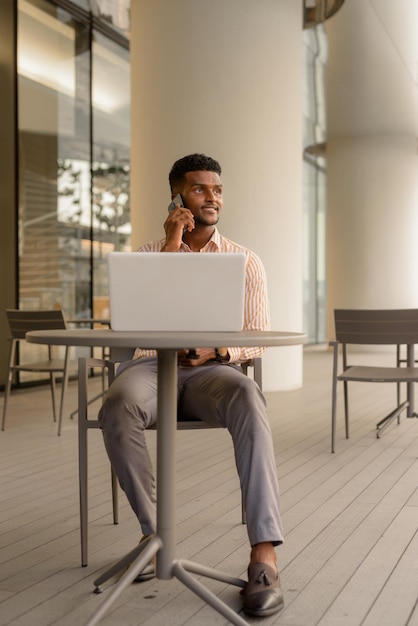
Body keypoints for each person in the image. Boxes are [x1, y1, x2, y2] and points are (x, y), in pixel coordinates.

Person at [98, 153, 284, 617]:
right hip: (148, 368)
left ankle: (265, 553)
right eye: (200, 189)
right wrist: (172, 243)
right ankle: (155, 535)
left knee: (247, 395)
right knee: (117, 403)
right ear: (177, 196)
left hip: (209, 374)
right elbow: (135, 324)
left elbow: (257, 336)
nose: (212, 196)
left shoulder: (245, 260)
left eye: (217, 189)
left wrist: (216, 353)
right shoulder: (144, 256)